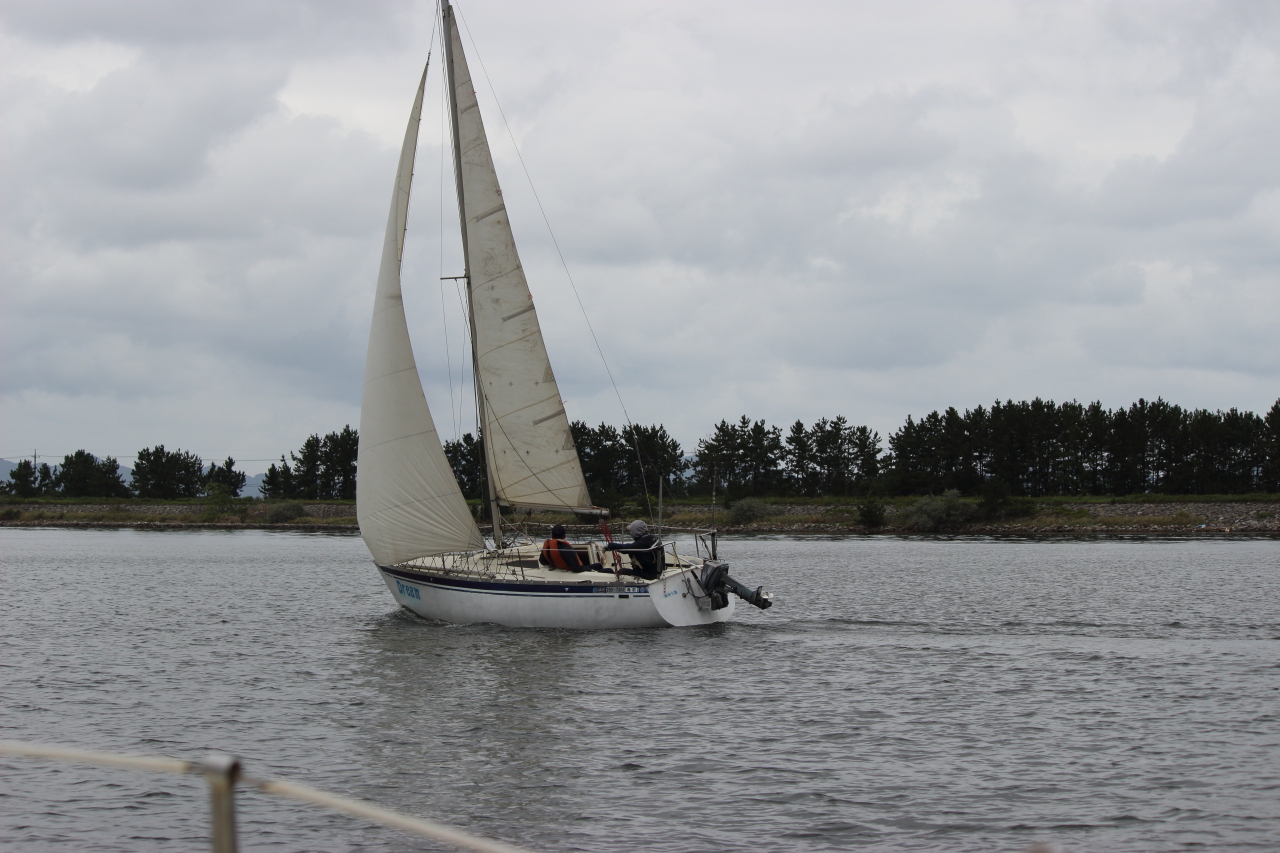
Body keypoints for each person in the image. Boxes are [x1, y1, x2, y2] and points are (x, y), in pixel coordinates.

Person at [540, 524, 604, 573]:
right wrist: (590, 569)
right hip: (570, 570)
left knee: (597, 566)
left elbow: (542, 561)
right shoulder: (566, 549)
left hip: (558, 568)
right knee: (599, 566)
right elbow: (575, 568)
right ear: (564, 536)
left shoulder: (548, 547)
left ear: (552, 536)